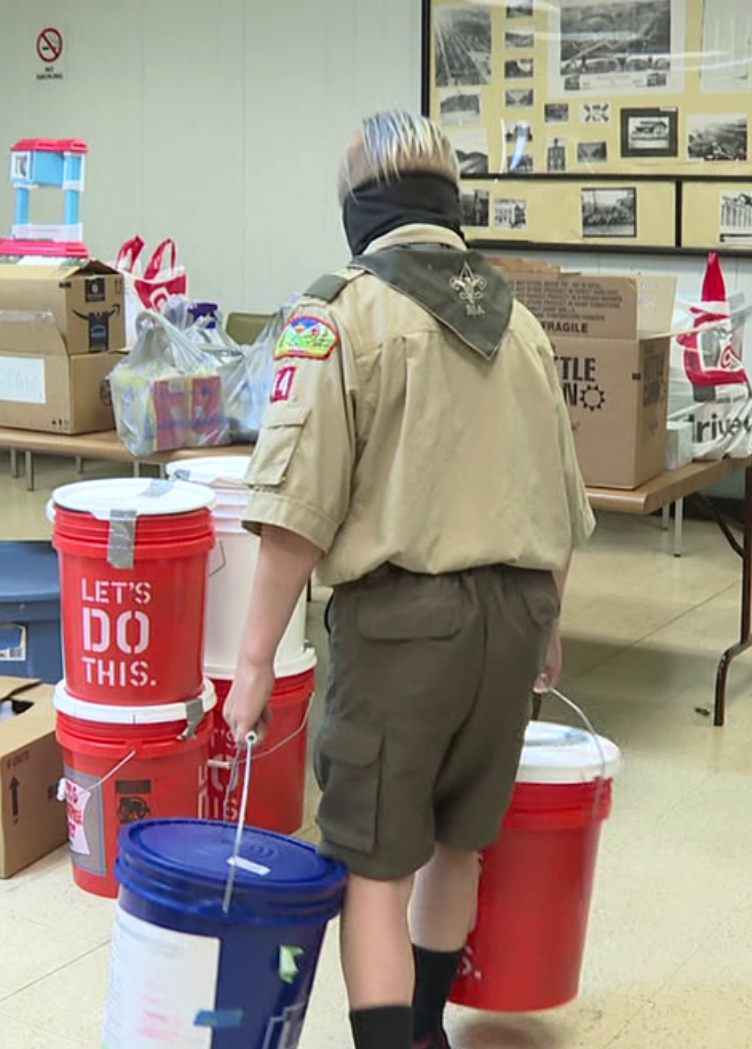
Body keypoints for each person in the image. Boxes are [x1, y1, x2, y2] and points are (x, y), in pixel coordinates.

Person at [224, 111, 595, 1049]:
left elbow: (294, 513)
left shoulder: (341, 313)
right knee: (459, 841)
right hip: (518, 616)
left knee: (373, 866)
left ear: (356, 205)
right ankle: (426, 1028)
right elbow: (560, 500)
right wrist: (548, 626)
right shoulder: (521, 323)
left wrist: (255, 658)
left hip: (404, 629)